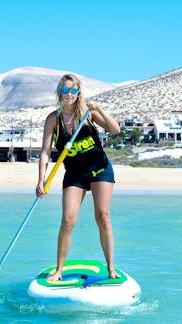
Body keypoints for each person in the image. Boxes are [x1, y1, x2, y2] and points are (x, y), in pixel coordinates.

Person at [36, 73, 121, 280]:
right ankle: (59, 270)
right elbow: (46, 151)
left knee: (102, 216)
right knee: (67, 220)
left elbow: (115, 129)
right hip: (75, 173)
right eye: (65, 90)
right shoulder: (53, 119)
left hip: (100, 169)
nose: (69, 94)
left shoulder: (87, 114)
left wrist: (99, 109)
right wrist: (41, 179)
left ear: (79, 92)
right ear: (59, 92)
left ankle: (111, 268)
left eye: (74, 90)